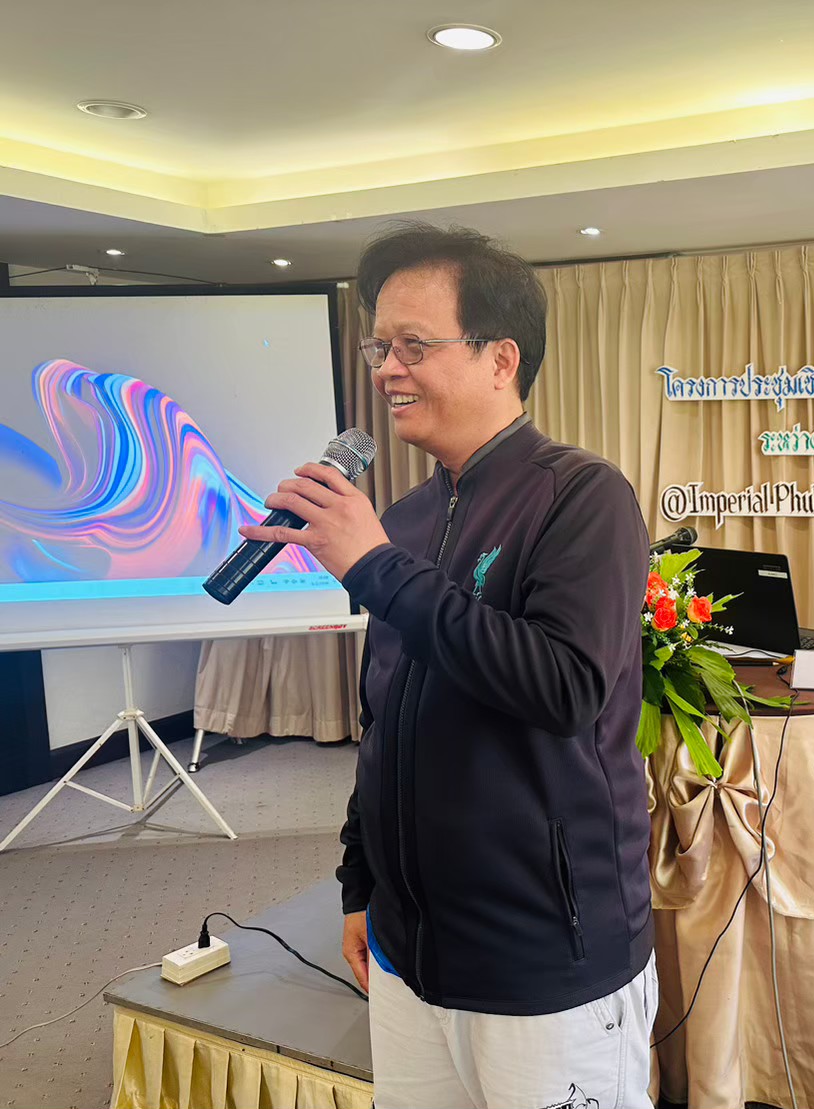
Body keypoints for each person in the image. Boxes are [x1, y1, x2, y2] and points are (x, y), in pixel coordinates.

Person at [239, 222, 655, 1109]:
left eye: (414, 346)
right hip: (407, 952)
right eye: (379, 347)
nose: (387, 369)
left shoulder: (583, 497)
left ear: (501, 359)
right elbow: (384, 721)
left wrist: (375, 567)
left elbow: (563, 688)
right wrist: (359, 885)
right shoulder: (405, 519)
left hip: (542, 959)